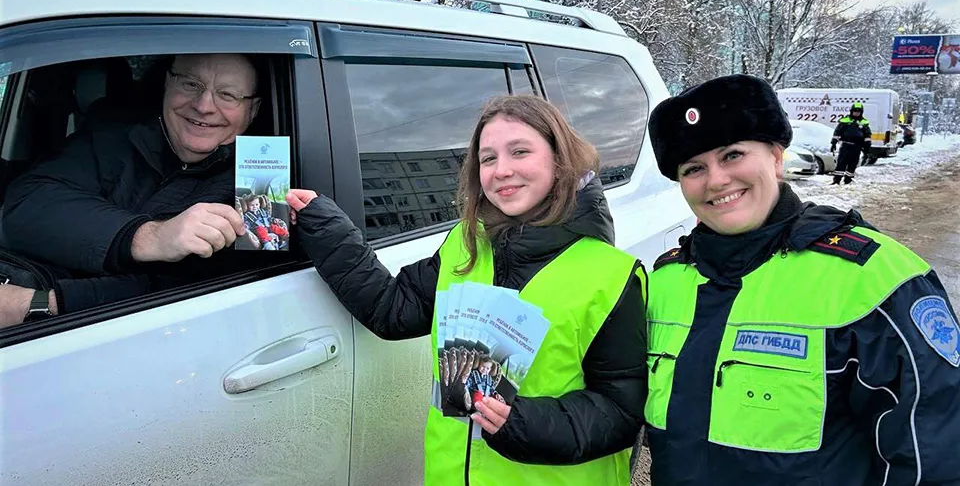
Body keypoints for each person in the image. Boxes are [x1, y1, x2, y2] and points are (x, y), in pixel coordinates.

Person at [286, 94, 647, 485]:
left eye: (520, 151)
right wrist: (323, 224)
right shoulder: (466, 242)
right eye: (488, 158)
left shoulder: (612, 275)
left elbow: (622, 411)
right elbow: (393, 309)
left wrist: (522, 422)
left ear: (560, 160)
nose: (501, 170)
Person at [643, 74, 960, 485]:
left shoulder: (873, 279)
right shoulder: (666, 281)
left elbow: (934, 460)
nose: (716, 180)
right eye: (694, 168)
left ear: (776, 157)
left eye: (733, 155)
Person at [0, 53, 265, 327]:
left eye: (228, 94)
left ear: (253, 109)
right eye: (190, 84)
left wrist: (41, 305)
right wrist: (148, 236)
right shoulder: (112, 130)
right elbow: (27, 202)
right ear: (167, 84)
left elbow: (243, 290)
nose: (204, 105)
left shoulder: (264, 172)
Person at [830, 101, 872, 184]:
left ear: (861, 112)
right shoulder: (845, 121)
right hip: (845, 145)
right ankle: (836, 180)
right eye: (855, 111)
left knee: (853, 164)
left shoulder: (864, 123)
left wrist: (867, 147)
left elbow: (867, 136)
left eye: (858, 111)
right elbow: (837, 132)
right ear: (851, 111)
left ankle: (848, 179)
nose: (856, 113)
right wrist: (833, 143)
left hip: (857, 147)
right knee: (841, 163)